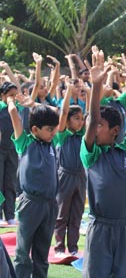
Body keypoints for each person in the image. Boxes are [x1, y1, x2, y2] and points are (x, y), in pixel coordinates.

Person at [80, 47, 126, 278]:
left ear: (115, 131)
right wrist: (96, 85)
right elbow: (93, 117)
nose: (94, 129)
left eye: (100, 127)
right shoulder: (91, 153)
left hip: (124, 228)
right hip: (100, 229)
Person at [7, 93, 59, 278]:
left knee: (42, 253)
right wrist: (11, 100)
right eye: (49, 129)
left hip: (50, 204)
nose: (53, 132)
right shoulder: (26, 142)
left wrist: (33, 104)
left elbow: (56, 112)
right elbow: (13, 112)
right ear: (35, 129)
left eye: (54, 129)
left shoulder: (52, 144)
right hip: (30, 204)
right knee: (23, 252)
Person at [53, 81, 86, 257]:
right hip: (65, 176)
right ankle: (59, 247)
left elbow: (92, 115)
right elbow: (63, 111)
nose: (80, 122)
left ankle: (73, 247)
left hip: (81, 177)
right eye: (76, 118)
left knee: (76, 214)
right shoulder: (63, 135)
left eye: (81, 119)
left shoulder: (83, 135)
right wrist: (68, 91)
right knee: (61, 213)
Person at [0, 81, 19, 226]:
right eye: (10, 95)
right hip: (0, 150)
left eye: (15, 95)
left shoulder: (15, 109)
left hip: (12, 149)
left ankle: (10, 215)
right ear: (3, 96)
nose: (13, 98)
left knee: (10, 183)